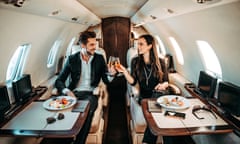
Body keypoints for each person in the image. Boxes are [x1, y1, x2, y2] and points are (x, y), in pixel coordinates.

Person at [55, 31, 116, 144]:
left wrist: (112, 74)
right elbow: (59, 81)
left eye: (95, 44)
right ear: (82, 45)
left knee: (86, 111)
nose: (95, 47)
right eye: (91, 45)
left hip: (90, 94)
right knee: (66, 115)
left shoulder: (99, 58)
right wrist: (67, 91)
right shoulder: (72, 59)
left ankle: (79, 142)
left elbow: (106, 80)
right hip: (74, 93)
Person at [115, 34, 169, 144]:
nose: (138, 47)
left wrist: (163, 85)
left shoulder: (161, 62)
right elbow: (133, 82)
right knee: (158, 112)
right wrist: (125, 72)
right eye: (137, 44)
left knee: (158, 95)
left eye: (141, 44)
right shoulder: (135, 61)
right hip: (145, 97)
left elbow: (166, 81)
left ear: (149, 46)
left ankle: (147, 141)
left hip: (160, 95)